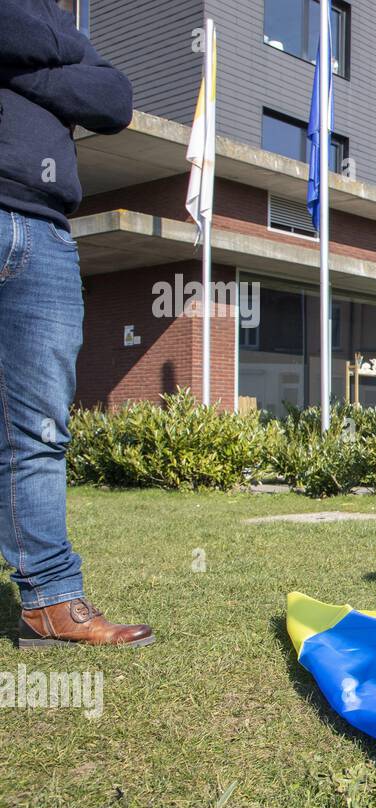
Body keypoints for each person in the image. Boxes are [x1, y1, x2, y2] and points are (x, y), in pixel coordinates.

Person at [0, 0, 152, 647]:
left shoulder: (61, 20)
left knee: (39, 430)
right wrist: (57, 61)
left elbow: (113, 100)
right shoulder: (62, 37)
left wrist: (16, 68)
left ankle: (50, 603)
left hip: (46, 235)